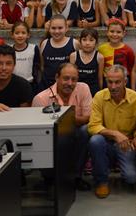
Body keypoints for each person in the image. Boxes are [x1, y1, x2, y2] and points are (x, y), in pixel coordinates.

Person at [88, 65, 136, 198]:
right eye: (110, 82)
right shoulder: (99, 96)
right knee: (95, 141)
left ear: (125, 82)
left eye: (117, 82)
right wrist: (115, 134)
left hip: (127, 144)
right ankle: (102, 182)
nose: (113, 86)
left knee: (131, 178)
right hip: (106, 142)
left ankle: (124, 165)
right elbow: (93, 126)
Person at [32, 62, 93, 191]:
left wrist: (62, 118)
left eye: (74, 79)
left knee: (85, 131)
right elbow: (38, 132)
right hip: (51, 136)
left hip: (76, 132)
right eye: (65, 78)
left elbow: (88, 118)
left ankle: (76, 177)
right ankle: (49, 178)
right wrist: (72, 119)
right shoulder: (41, 99)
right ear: (56, 77)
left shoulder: (83, 88)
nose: (70, 83)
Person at [40, 15, 79, 89]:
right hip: (46, 86)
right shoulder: (44, 43)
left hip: (66, 86)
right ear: (49, 29)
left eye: (60, 28)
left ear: (66, 28)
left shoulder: (74, 43)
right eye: (53, 28)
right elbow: (42, 66)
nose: (57, 31)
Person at [70, 28, 104, 96]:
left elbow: (100, 77)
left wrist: (100, 93)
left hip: (93, 91)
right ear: (80, 41)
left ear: (96, 42)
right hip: (77, 91)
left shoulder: (99, 57)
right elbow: (71, 76)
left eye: (91, 40)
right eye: (84, 40)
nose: (87, 43)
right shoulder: (74, 56)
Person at [10, 21, 40, 86]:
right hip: (12, 84)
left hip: (29, 84)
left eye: (23, 33)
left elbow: (37, 68)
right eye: (17, 33)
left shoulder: (34, 48)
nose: (20, 35)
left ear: (28, 35)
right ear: (12, 35)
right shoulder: (9, 49)